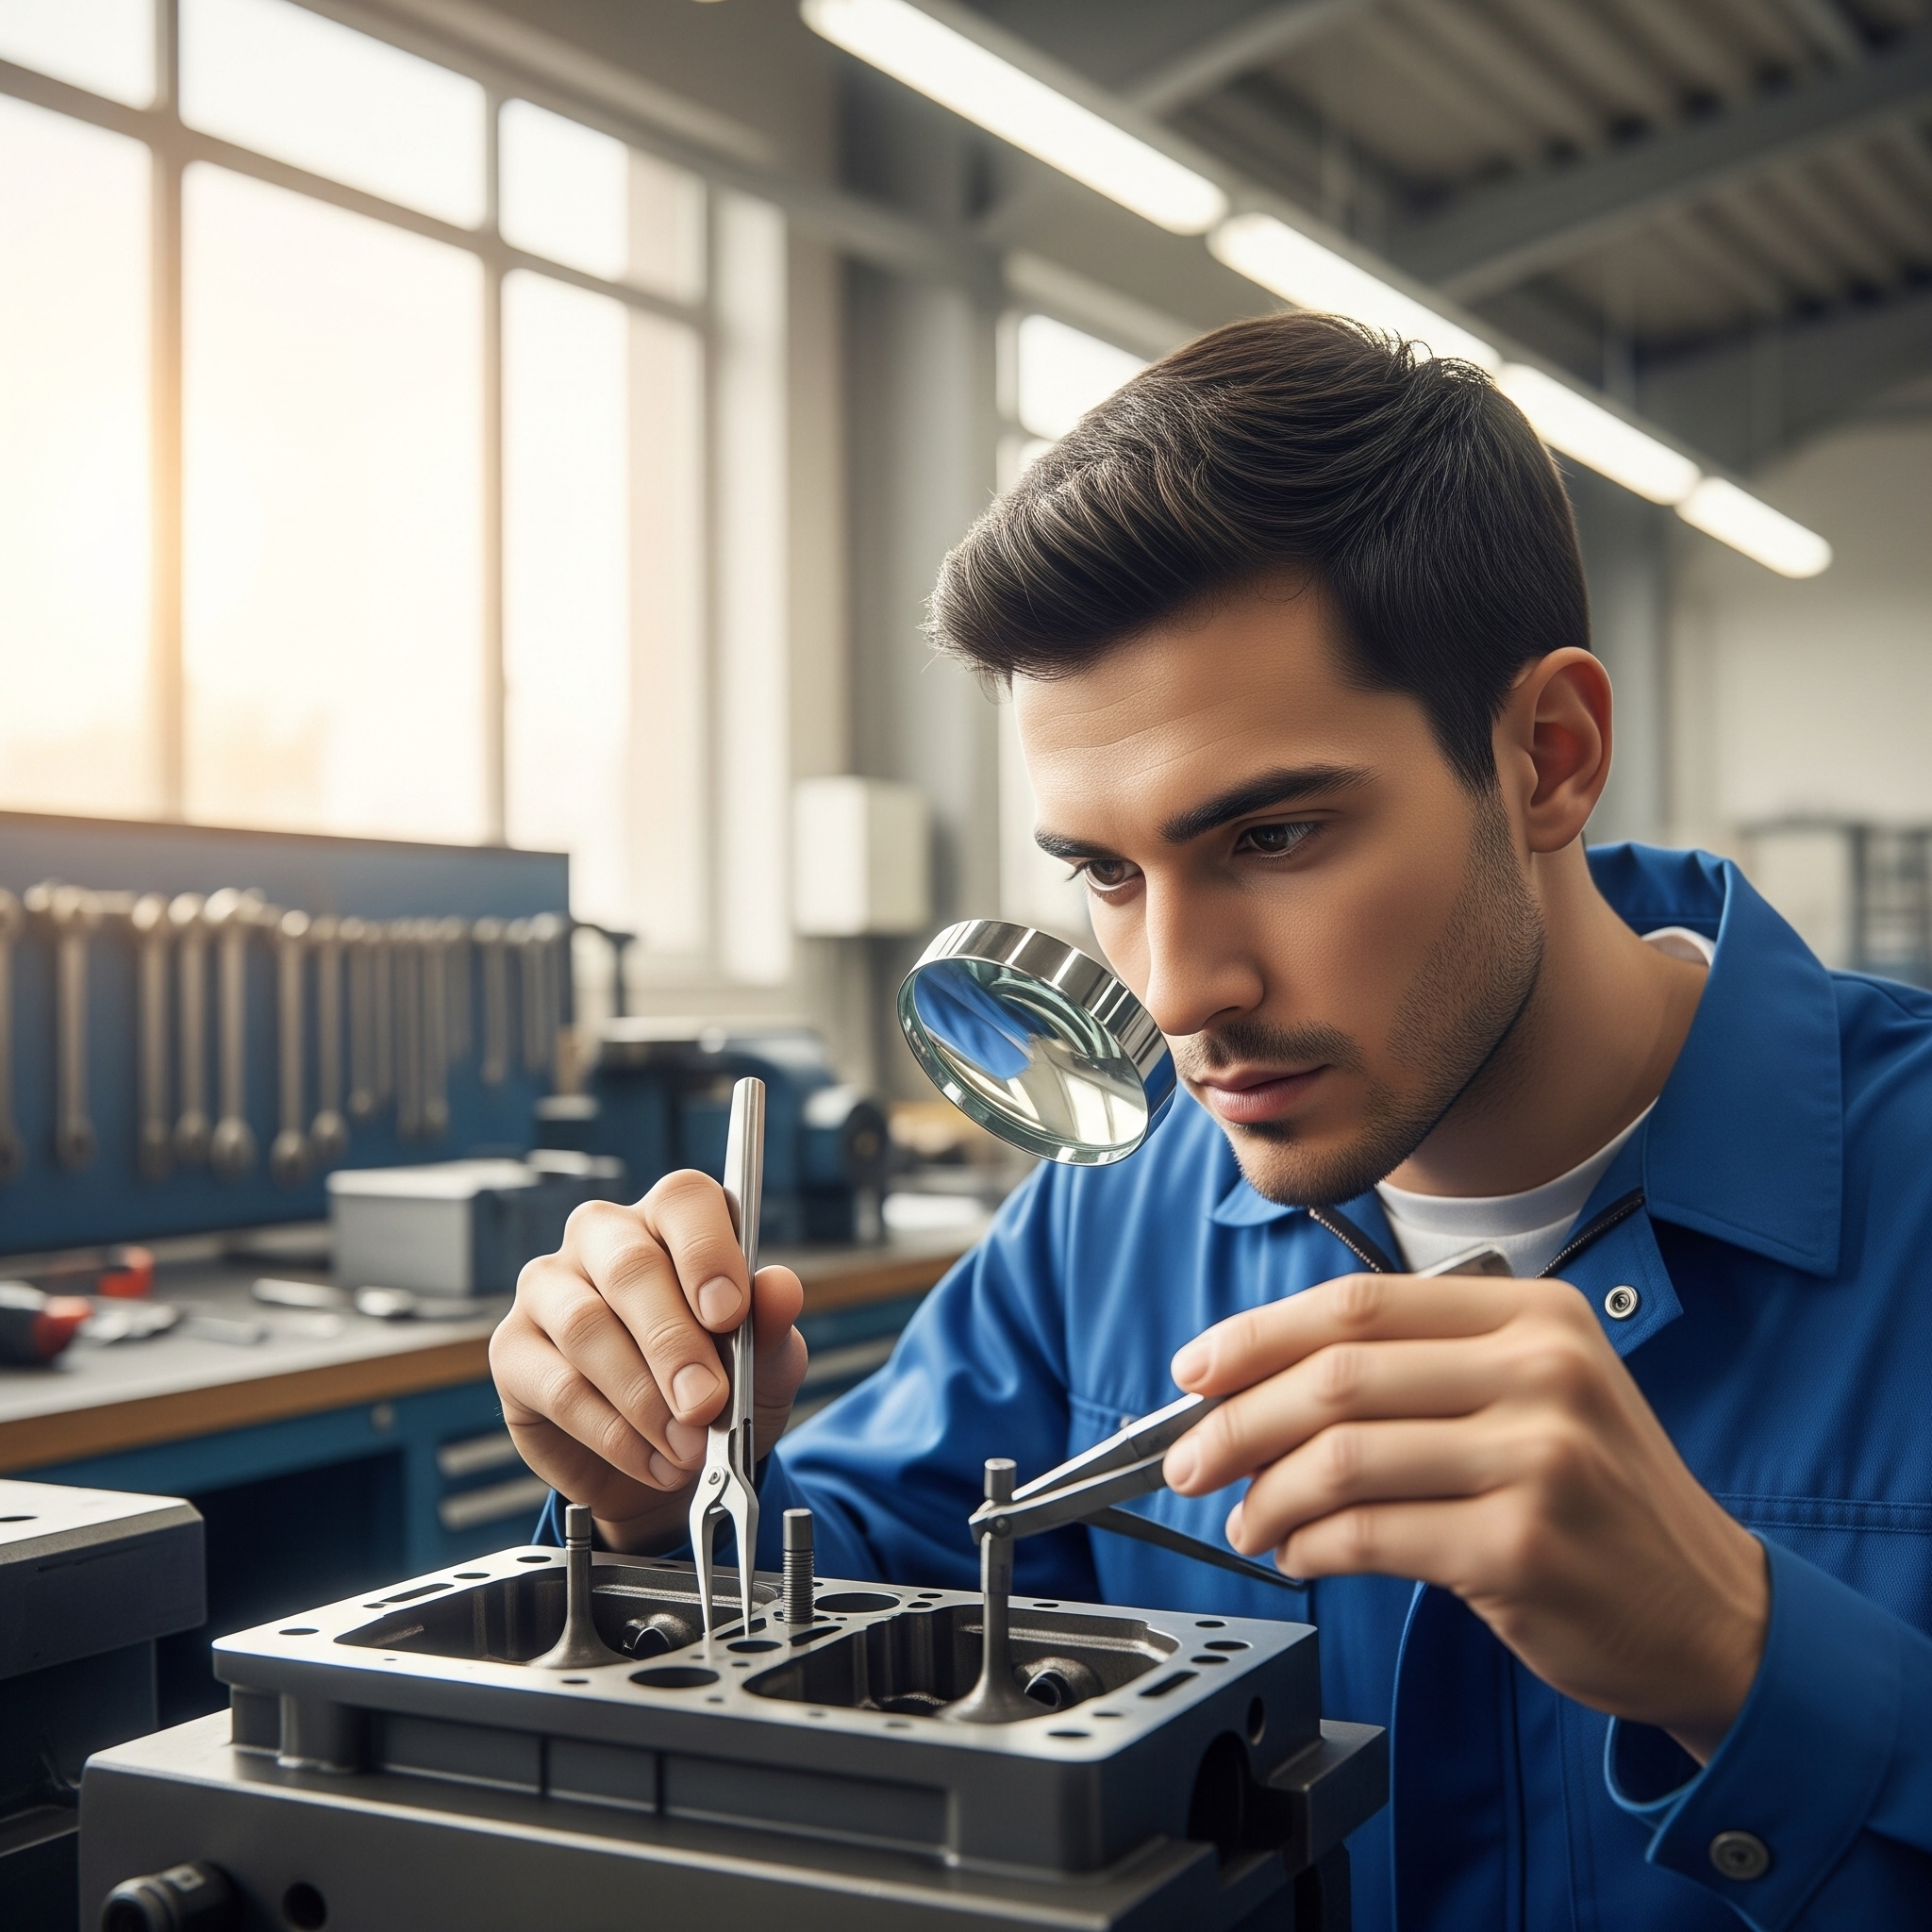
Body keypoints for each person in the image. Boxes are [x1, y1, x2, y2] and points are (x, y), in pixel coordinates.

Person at [491, 314, 1932, 1929]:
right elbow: (843, 1607)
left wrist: (1736, 1651)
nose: (1175, 991)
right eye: (1106, 872)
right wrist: (646, 1487)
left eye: (1275, 833)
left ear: (1549, 756)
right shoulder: (1109, 1219)